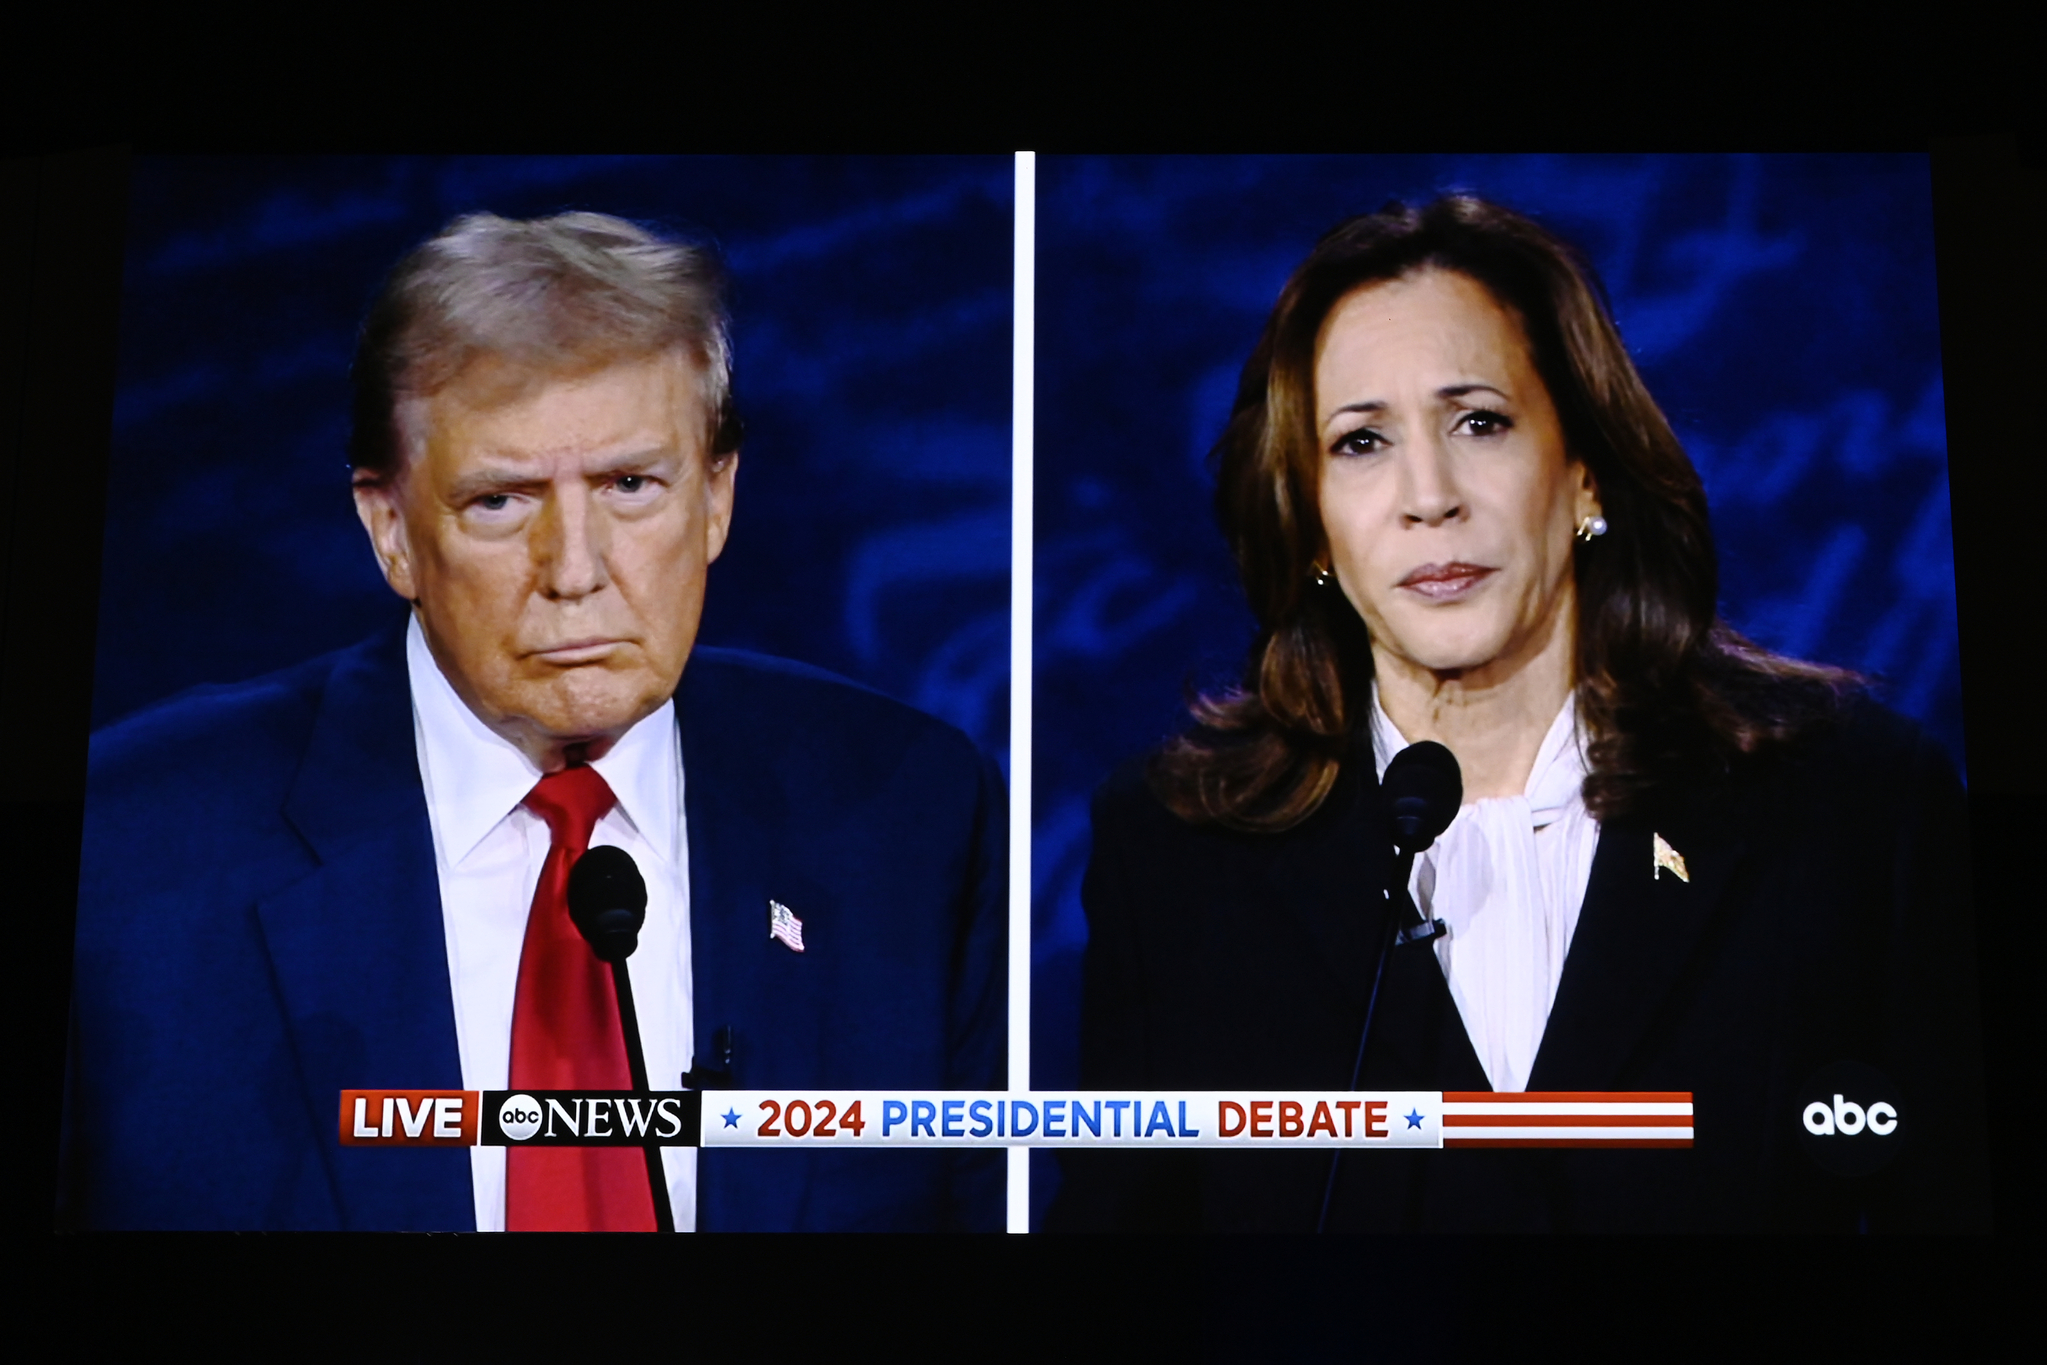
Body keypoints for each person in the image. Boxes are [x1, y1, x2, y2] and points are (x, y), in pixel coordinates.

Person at [1046, 196, 1989, 1233]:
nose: (1429, 495)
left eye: (1479, 423)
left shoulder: (1846, 804)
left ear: (1583, 470)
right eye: (1360, 443)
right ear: (1309, 522)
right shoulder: (1181, 856)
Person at [62, 211, 1006, 1232]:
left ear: (718, 497)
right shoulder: (128, 851)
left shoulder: (909, 816)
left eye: (631, 486)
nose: (574, 572)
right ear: (391, 531)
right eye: (501, 503)